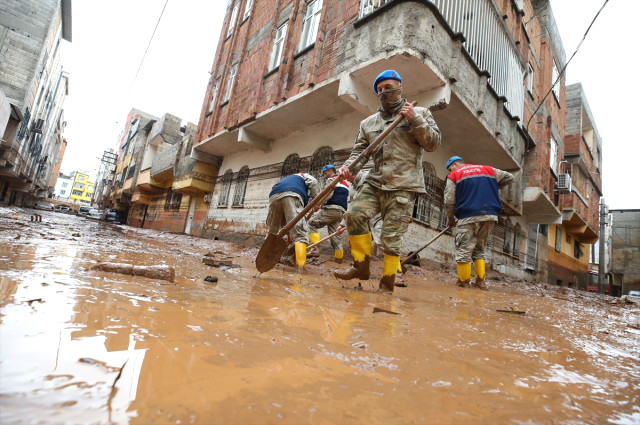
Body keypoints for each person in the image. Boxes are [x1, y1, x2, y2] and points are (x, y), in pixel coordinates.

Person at [334, 69, 442, 293]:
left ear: (400, 86)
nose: (385, 92)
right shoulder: (368, 123)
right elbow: (359, 152)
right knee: (353, 215)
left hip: (404, 184)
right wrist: (347, 167)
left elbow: (433, 143)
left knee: (390, 238)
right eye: (380, 90)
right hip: (375, 182)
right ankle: (361, 267)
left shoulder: (419, 112)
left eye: (389, 87)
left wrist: (415, 119)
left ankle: (387, 284)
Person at [444, 156, 514, 290]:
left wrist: (451, 219)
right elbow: (509, 177)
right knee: (479, 249)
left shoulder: (454, 175)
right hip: (489, 215)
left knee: (464, 249)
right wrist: (493, 185)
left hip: (467, 216)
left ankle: (463, 282)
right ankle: (481, 282)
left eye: (449, 168)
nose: (449, 171)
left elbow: (449, 200)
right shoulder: (488, 170)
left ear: (455, 164)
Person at [266, 172, 320, 270]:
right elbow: (314, 182)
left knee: (273, 231)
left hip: (274, 196)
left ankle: (266, 258)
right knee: (300, 233)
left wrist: (289, 236)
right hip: (291, 194)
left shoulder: (289, 179)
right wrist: (317, 202)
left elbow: (287, 222)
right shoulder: (304, 175)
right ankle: (300, 267)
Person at [308, 164, 350, 263]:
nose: (324, 176)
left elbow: (328, 194)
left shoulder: (332, 179)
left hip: (331, 209)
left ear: (331, 172)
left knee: (311, 223)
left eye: (325, 173)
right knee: (335, 235)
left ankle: (314, 250)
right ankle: (339, 258)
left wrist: (318, 204)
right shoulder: (346, 184)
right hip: (341, 212)